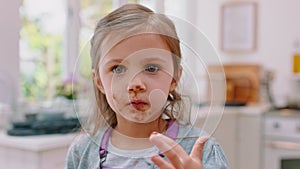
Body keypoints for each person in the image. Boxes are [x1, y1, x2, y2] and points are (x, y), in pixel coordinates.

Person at [65, 3, 228, 169]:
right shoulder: (81, 152)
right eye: (118, 69)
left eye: (152, 68)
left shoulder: (202, 151)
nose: (135, 84)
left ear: (174, 78)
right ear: (99, 81)